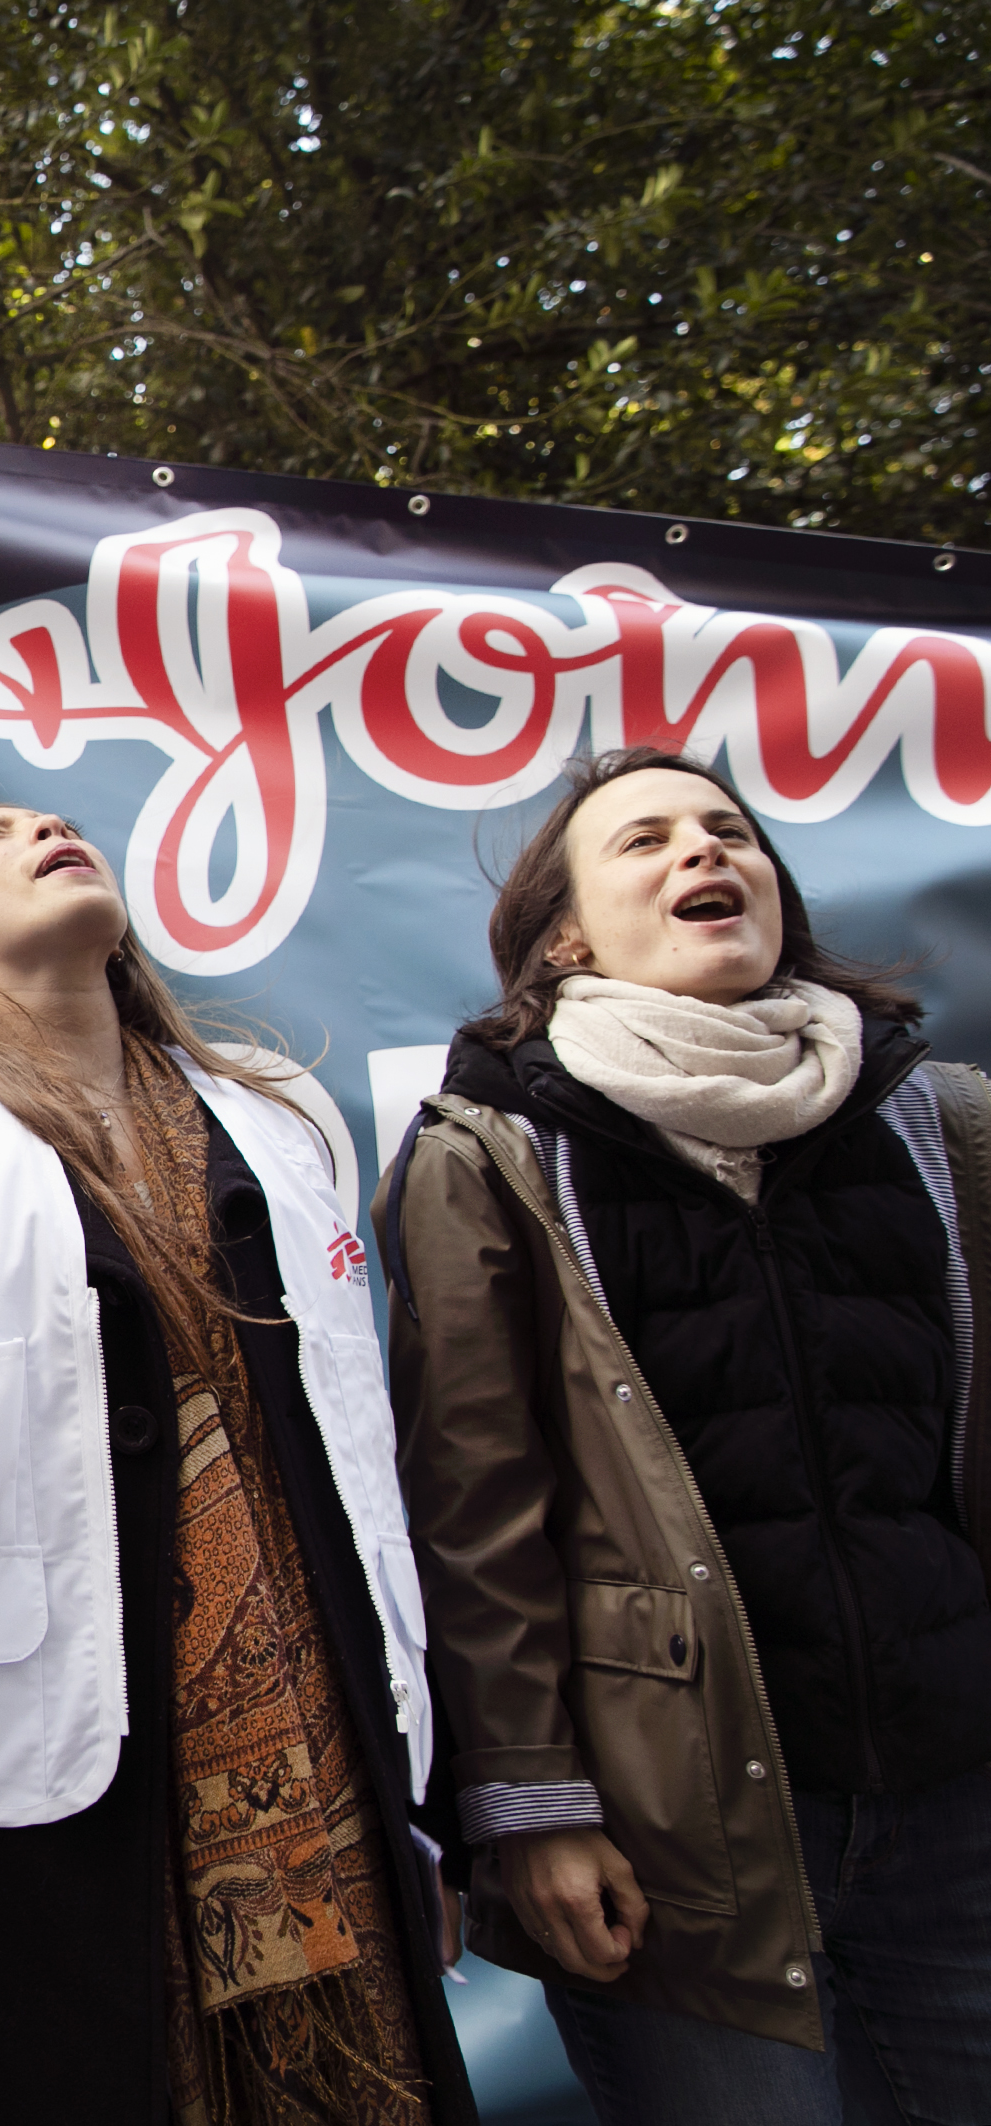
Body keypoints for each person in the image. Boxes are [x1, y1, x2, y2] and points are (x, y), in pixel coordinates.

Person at [0, 802, 471, 2124]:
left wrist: (434, 1800)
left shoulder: (269, 1123)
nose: (48, 829)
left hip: (314, 1744)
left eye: (59, 821)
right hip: (17, 1778)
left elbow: (365, 1472)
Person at [382, 747, 991, 2125]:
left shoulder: (941, 1119)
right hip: (675, 1837)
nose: (703, 853)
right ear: (567, 933)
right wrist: (532, 1805)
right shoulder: (492, 1152)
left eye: (727, 831)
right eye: (645, 840)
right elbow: (474, 1516)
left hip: (959, 1806)